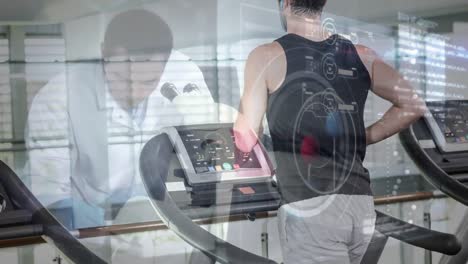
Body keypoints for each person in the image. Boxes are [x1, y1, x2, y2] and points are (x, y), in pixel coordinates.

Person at [234, 0, 426, 263]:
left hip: (311, 206)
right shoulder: (360, 54)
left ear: (286, 3)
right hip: (359, 204)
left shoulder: (266, 56)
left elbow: (245, 138)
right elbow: (413, 104)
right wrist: (365, 136)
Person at [25, 9, 213, 228]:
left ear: (167, 62)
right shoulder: (59, 96)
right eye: (120, 79)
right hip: (93, 231)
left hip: (170, 222)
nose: (133, 93)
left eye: (148, 82)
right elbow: (49, 191)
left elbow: (206, 152)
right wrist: (82, 219)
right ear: (104, 53)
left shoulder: (185, 78)